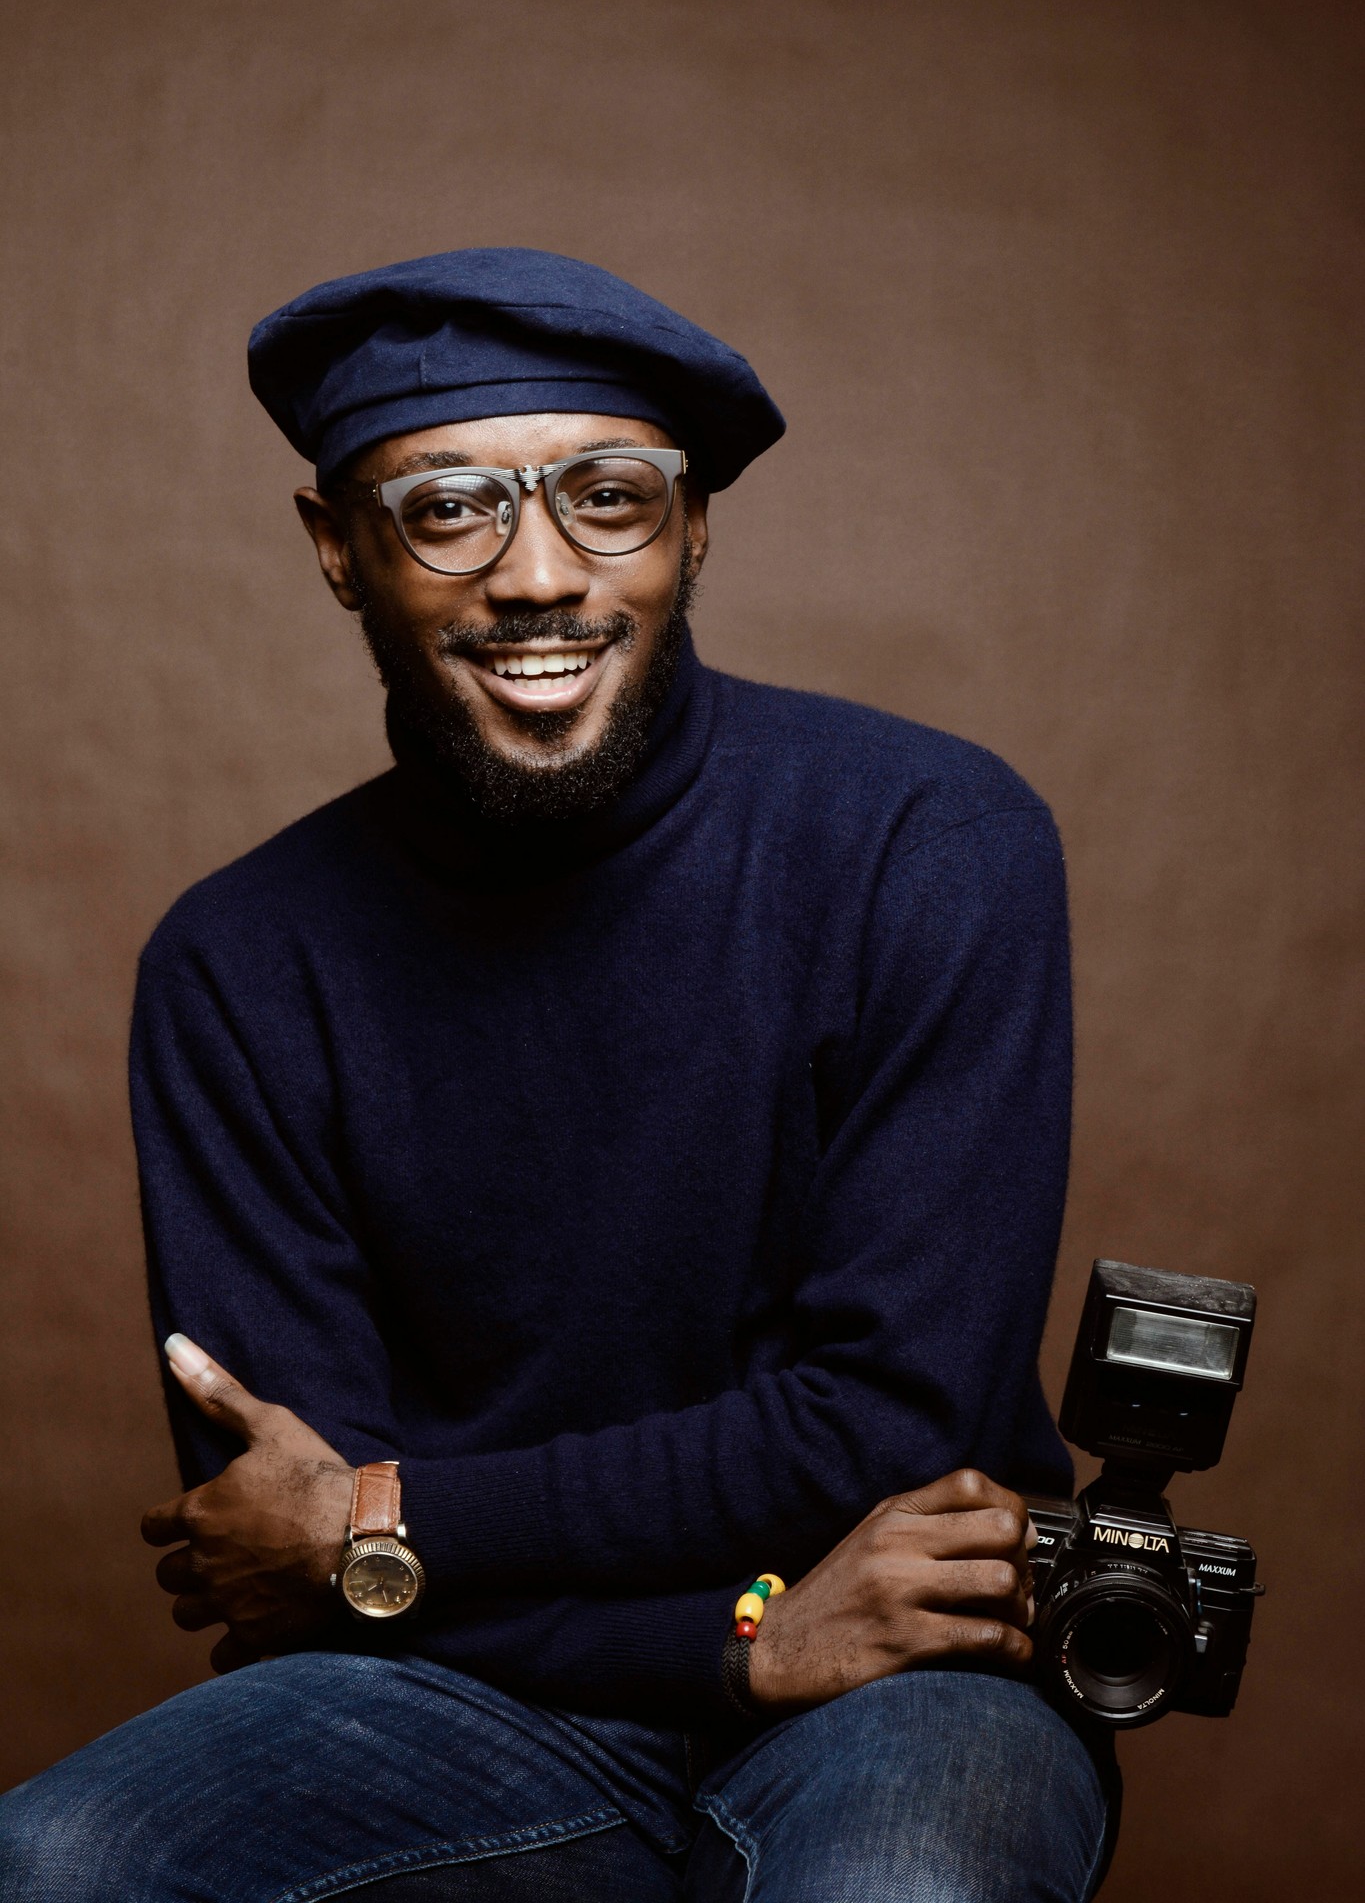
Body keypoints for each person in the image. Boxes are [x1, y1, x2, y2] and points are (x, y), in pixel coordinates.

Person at [0, 249, 1114, 1901]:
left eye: (610, 498)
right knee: (63, 1854)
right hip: (464, 1692)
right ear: (337, 551)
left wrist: (385, 1515)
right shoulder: (239, 963)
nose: (540, 575)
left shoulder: (926, 842)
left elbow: (892, 1425)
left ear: (694, 531)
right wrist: (734, 1639)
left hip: (907, 1659)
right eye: (447, 506)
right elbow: (283, 1551)